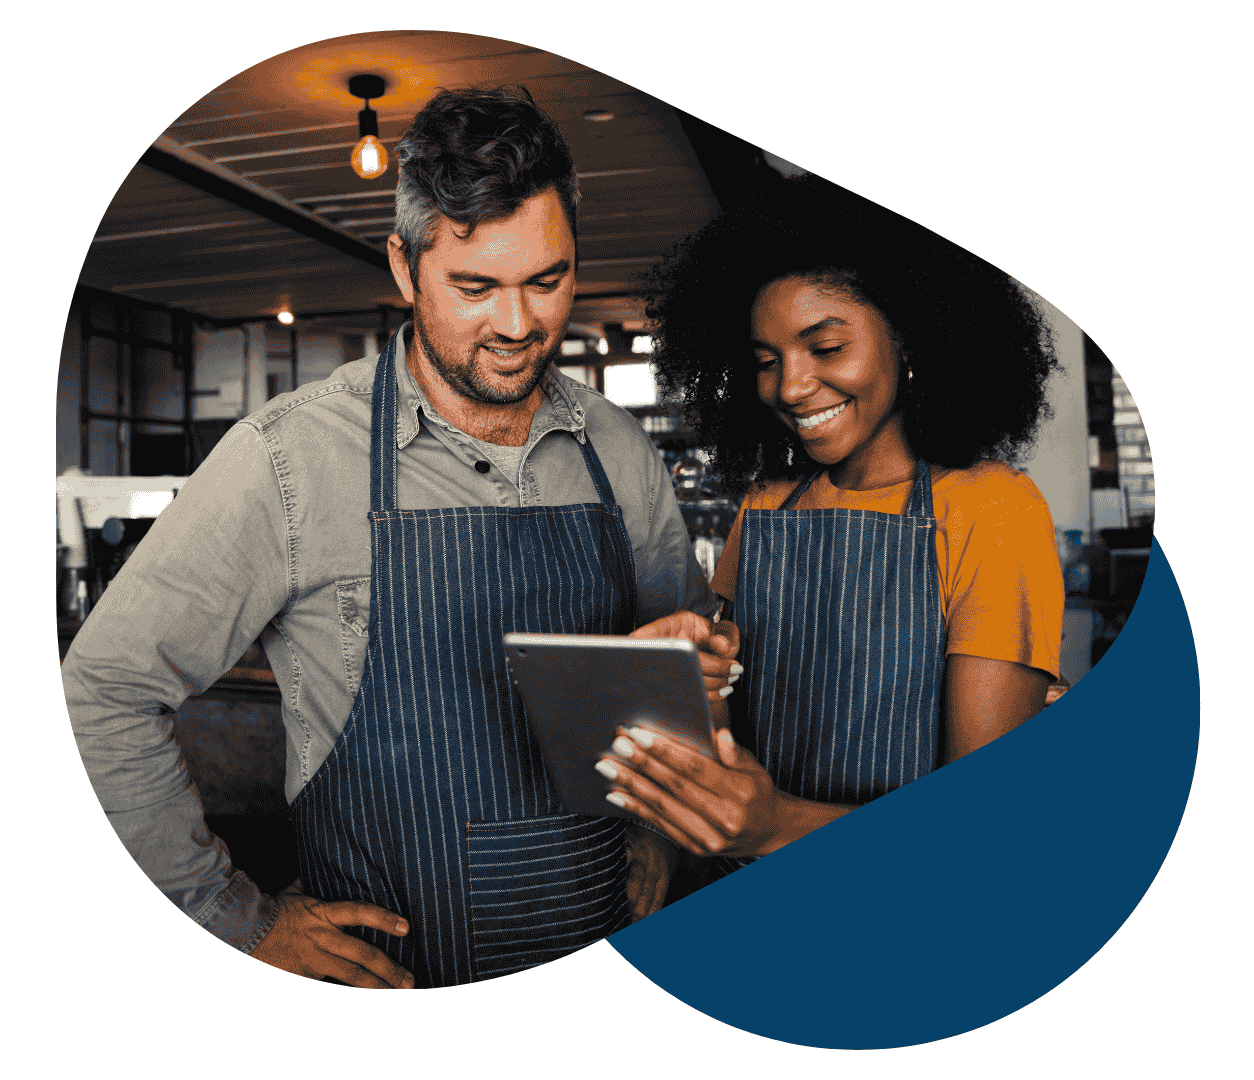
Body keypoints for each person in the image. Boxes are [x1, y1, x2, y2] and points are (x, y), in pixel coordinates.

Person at [61, 86, 736, 989]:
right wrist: (233, 919)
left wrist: (656, 834)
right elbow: (101, 691)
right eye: (475, 287)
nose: (519, 324)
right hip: (393, 984)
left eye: (548, 280)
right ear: (404, 266)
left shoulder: (616, 449)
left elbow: (682, 680)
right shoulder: (290, 460)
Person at [598, 177, 1065, 868]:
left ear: (909, 339)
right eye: (766, 361)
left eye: (825, 348)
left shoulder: (991, 509)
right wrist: (687, 688)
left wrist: (776, 825)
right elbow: (728, 735)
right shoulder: (766, 507)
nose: (789, 387)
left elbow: (980, 827)